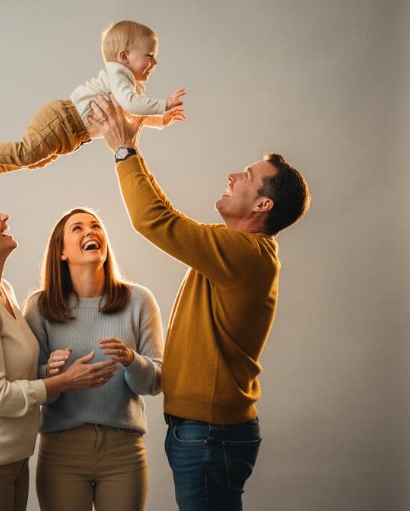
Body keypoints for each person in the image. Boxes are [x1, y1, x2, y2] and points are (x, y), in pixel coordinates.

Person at [88, 94, 311, 511]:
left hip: (210, 434)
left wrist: (123, 151)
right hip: (206, 433)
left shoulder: (243, 254)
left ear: (263, 205)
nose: (232, 176)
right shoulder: (237, 251)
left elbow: (155, 222)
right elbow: (167, 217)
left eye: (246, 175)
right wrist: (132, 149)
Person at [0, 190, 120, 511]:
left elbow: (13, 376)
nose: (4, 216)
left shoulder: (3, 292)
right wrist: (64, 382)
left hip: (10, 458)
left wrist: (47, 372)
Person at [24, 208, 164, 511]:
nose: (90, 231)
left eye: (96, 225)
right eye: (77, 228)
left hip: (123, 450)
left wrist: (131, 360)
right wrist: (53, 372)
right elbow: (31, 386)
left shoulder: (139, 301)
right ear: (61, 251)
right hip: (62, 450)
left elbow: (154, 383)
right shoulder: (40, 307)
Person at [0, 20, 187, 191]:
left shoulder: (132, 86)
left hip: (72, 135)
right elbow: (131, 104)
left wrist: (160, 121)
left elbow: (132, 113)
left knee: (37, 160)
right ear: (124, 57)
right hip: (61, 120)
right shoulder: (119, 73)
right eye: (150, 56)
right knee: (28, 152)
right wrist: (163, 105)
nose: (155, 63)